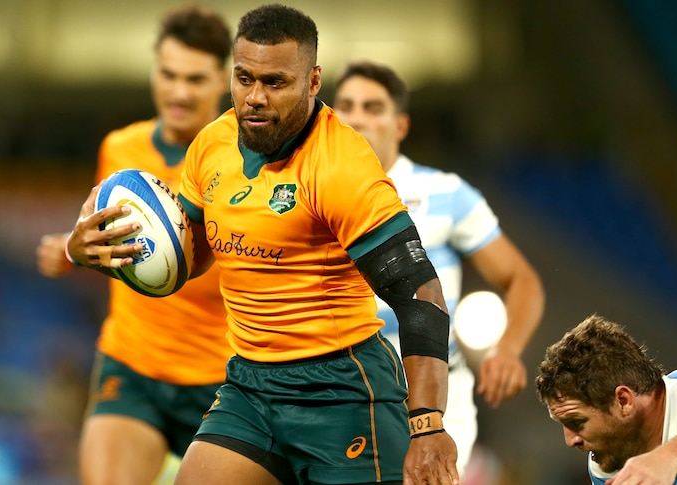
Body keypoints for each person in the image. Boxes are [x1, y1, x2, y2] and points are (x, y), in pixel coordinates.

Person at [65, 4, 460, 485]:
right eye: (244, 77)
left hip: (342, 391)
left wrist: (428, 424)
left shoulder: (342, 166)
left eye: (274, 82)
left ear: (313, 82)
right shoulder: (212, 145)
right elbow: (185, 260)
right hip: (249, 385)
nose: (253, 97)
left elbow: (421, 297)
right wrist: (104, 255)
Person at [34, 6, 232, 485]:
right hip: (133, 365)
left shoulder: (247, 160)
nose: (180, 92)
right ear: (153, 71)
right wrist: (71, 251)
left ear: (225, 79)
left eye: (196, 78)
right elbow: (112, 242)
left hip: (225, 382)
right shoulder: (119, 150)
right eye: (168, 74)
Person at [333, 60, 545, 477]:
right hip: (344, 391)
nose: (357, 118)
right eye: (347, 105)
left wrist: (508, 348)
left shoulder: (445, 192)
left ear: (401, 125)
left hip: (433, 396)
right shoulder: (308, 191)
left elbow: (521, 279)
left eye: (373, 108)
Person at [536, 314, 677, 485]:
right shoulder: (610, 464)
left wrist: (667, 457)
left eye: (577, 422)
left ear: (623, 401)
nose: (571, 440)